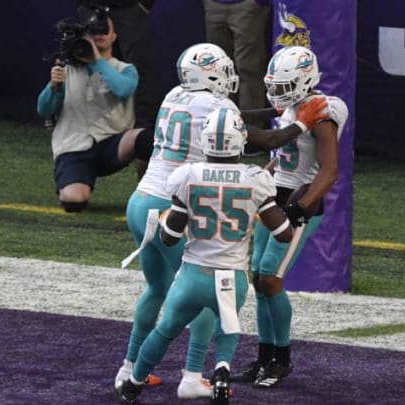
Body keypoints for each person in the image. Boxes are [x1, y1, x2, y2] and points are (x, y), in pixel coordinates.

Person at [114, 42, 329, 401]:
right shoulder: (219, 107)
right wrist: (302, 120)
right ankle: (193, 374)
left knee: (156, 288)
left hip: (141, 201)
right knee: (203, 285)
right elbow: (266, 139)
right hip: (174, 200)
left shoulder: (175, 95)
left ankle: (128, 369)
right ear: (211, 73)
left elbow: (235, 117)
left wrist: (281, 110)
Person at [114, 107, 294, 405]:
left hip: (193, 275)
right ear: (241, 141)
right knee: (228, 326)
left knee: (165, 330)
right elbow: (284, 234)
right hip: (231, 275)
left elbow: (169, 237)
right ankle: (221, 370)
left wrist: (166, 222)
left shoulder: (188, 175)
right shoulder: (255, 178)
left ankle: (133, 384)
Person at [237, 45, 349, 388]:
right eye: (276, 86)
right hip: (273, 194)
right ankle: (263, 356)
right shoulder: (296, 108)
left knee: (271, 279)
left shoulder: (321, 113)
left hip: (300, 200)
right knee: (258, 280)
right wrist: (262, 179)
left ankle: (282, 359)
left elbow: (329, 172)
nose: (278, 94)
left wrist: (300, 209)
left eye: (285, 86)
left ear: (306, 80)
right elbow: (283, 154)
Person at [37, 14, 153, 213]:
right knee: (74, 202)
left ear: (113, 37)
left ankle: (147, 193)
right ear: (85, 35)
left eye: (103, 30)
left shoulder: (125, 69)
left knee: (144, 138)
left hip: (112, 144)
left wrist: (96, 60)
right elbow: (43, 110)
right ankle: (74, 180)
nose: (99, 35)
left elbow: (123, 90)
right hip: (74, 146)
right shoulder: (67, 69)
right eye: (93, 31)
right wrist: (54, 86)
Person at [76, 0, 161, 128]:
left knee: (139, 70)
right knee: (90, 64)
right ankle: (95, 127)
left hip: (129, 9)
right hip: (91, 7)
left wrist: (145, 4)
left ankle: (143, 131)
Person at [202, 0, 272, 132]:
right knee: (217, 70)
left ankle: (252, 133)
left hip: (247, 5)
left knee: (248, 69)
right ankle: (222, 126)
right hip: (214, 5)